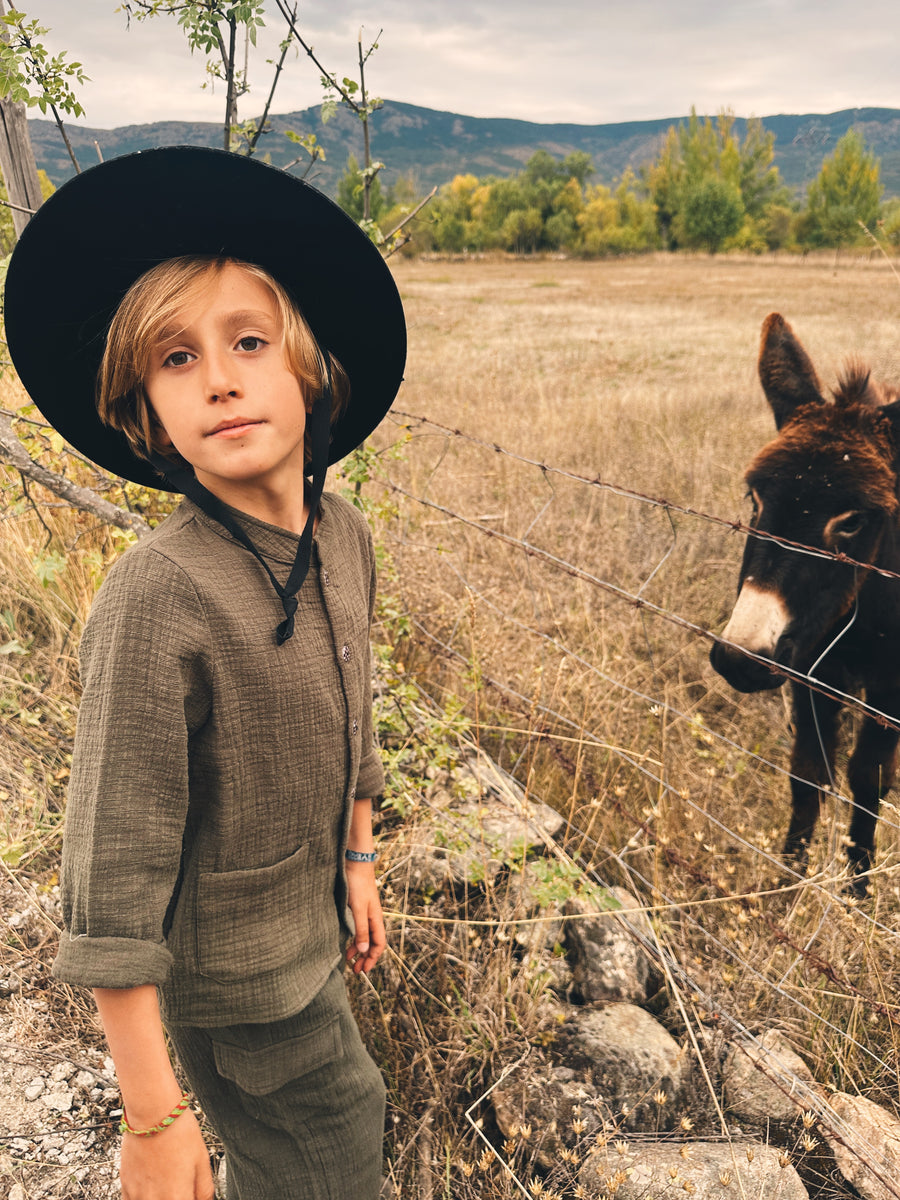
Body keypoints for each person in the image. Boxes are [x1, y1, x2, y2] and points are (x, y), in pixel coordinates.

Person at [4, 146, 407, 1200]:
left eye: (247, 341)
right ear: (145, 413)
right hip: (237, 990)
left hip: (314, 933)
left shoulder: (345, 535)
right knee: (331, 1149)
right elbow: (112, 875)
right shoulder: (161, 595)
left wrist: (357, 857)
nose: (218, 377)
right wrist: (150, 1115)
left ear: (309, 369)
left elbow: (353, 703)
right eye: (175, 360)